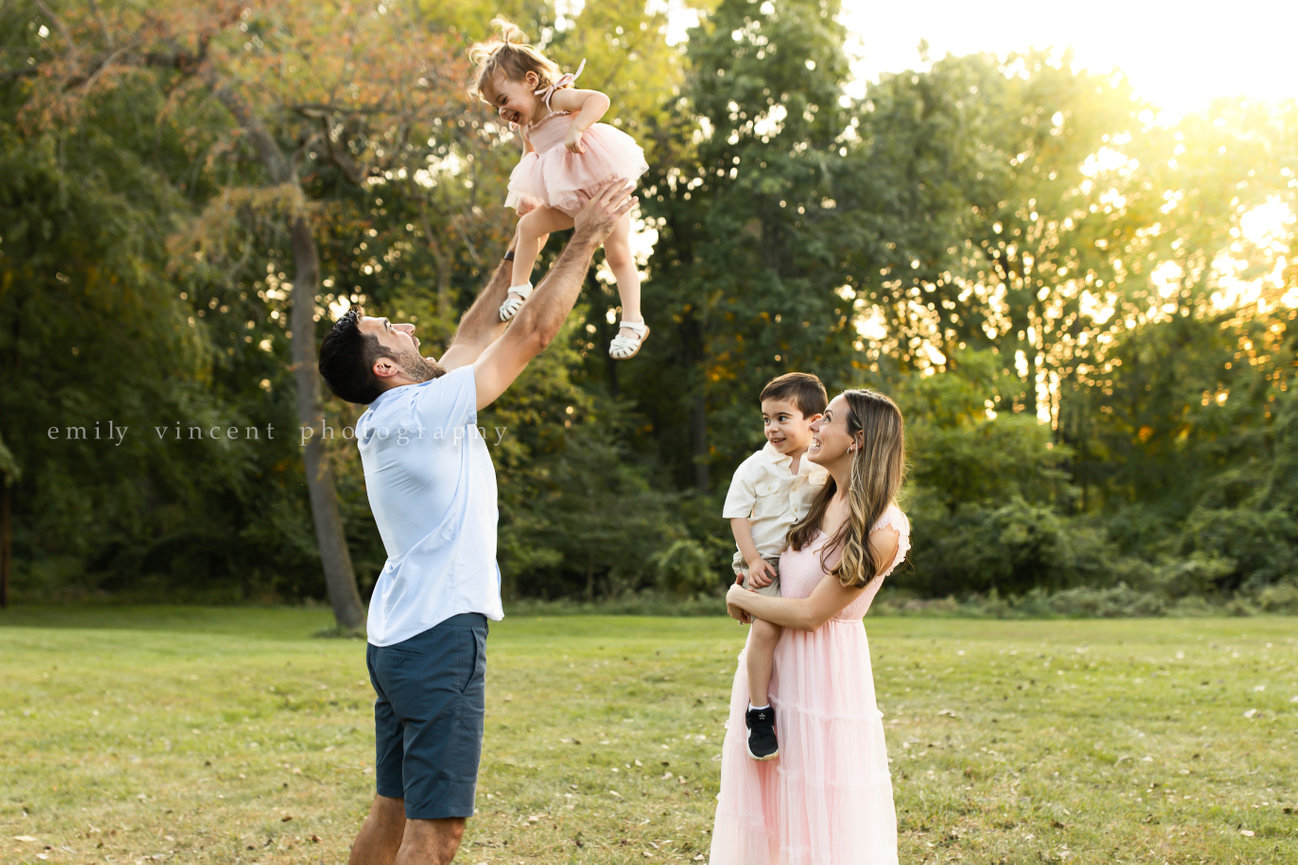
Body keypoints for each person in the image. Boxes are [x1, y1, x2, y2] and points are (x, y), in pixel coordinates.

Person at [317, 179, 636, 865]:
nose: (406, 326)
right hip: (438, 636)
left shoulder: (400, 409)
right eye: (390, 331)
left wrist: (523, 246)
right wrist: (584, 238)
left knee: (393, 811)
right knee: (437, 833)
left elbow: (472, 332)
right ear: (384, 366)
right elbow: (532, 333)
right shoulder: (417, 413)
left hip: (399, 638)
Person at [711, 389, 911, 865]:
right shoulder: (813, 501)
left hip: (824, 682)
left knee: (821, 808)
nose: (815, 427)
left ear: (857, 440)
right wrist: (751, 583)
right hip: (773, 673)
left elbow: (811, 613)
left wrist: (736, 597)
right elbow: (783, 573)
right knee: (772, 806)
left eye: (829, 421)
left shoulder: (883, 528)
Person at [469, 18, 651, 360]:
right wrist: (527, 195)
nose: (503, 111)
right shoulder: (527, 127)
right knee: (527, 226)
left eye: (505, 99)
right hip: (569, 201)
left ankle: (632, 321)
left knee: (618, 255)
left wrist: (578, 128)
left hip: (602, 189)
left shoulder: (555, 99)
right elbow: (529, 158)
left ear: (531, 81)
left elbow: (599, 99)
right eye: (497, 107)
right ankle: (519, 288)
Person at [721, 372, 828, 761]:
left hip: (807, 557)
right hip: (764, 558)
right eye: (766, 419)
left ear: (814, 422)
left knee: (809, 627)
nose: (772, 428)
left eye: (782, 418)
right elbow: (738, 516)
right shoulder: (755, 466)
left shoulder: (823, 462)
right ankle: (759, 710)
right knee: (766, 628)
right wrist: (750, 561)